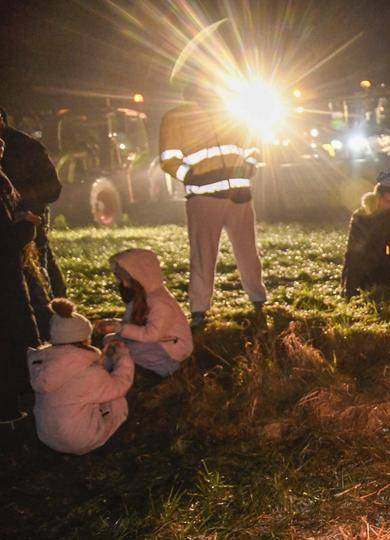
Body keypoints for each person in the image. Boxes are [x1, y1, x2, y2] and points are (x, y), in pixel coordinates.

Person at [159, 81, 267, 328]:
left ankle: (257, 299)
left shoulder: (234, 114)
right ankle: (199, 309)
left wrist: (249, 165)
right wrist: (193, 176)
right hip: (205, 196)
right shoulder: (177, 117)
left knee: (247, 250)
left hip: (237, 194)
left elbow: (254, 146)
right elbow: (169, 159)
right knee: (203, 254)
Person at [26, 299, 133, 455]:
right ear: (85, 338)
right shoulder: (88, 373)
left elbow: (72, 373)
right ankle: (111, 444)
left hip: (47, 436)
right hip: (79, 441)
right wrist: (124, 359)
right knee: (117, 401)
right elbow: (119, 387)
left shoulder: (41, 361)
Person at [94, 249, 193, 377]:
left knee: (133, 350)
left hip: (169, 345)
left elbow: (152, 335)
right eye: (121, 279)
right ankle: (105, 372)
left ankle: (171, 370)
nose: (123, 284)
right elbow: (130, 324)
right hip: (149, 339)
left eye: (127, 280)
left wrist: (121, 328)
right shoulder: (138, 297)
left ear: (141, 276)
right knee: (110, 340)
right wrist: (114, 324)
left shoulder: (160, 303)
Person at [0, 107, 64, 298]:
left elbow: (52, 188)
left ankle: (51, 315)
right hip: (9, 225)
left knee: (36, 270)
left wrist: (27, 208)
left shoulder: (26, 147)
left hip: (27, 219)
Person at [1, 138, 41, 428]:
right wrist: (27, 224)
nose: (2, 143)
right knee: (10, 334)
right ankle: (10, 411)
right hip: (5, 279)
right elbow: (6, 241)